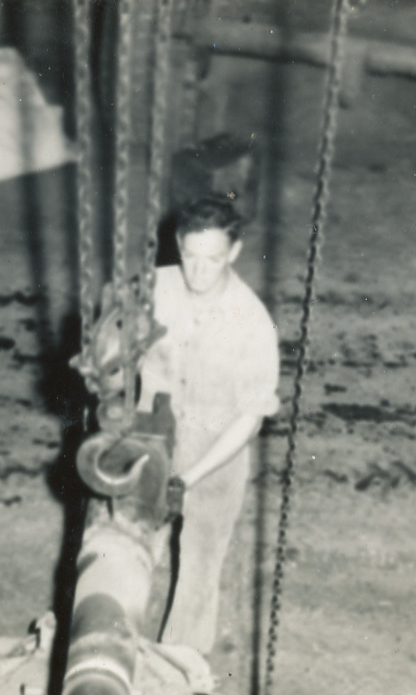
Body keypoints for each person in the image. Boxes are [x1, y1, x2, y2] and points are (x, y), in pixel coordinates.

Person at [137, 195, 281, 655]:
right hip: (150, 434)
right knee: (130, 542)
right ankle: (114, 643)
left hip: (215, 452)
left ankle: (182, 662)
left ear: (234, 252)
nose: (199, 272)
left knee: (200, 561)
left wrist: (189, 478)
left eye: (213, 259)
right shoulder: (151, 288)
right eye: (190, 257)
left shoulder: (252, 322)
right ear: (179, 245)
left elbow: (250, 419)